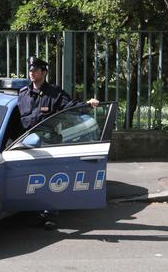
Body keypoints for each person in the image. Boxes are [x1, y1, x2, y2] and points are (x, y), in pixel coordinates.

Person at [17, 56, 99, 229]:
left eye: (36, 70)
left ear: (44, 72)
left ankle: (49, 214)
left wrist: (88, 104)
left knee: (49, 180)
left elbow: (71, 106)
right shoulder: (23, 93)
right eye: (30, 70)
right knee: (31, 180)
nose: (32, 73)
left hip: (48, 143)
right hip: (28, 143)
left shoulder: (54, 93)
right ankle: (32, 211)